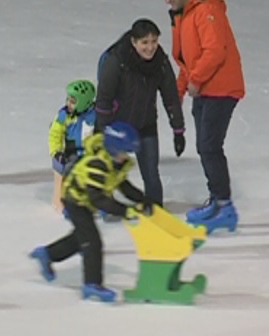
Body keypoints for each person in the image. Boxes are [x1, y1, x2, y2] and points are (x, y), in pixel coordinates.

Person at [156, 0, 244, 232]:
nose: (167, 0)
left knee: (209, 147)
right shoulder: (182, 16)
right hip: (206, 90)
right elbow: (186, 61)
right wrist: (177, 93)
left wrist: (194, 81)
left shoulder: (206, 10)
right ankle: (218, 201)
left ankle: (225, 206)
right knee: (206, 147)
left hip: (221, 89)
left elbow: (215, 51)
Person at [29, 122, 154, 303]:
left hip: (86, 202)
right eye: (123, 152)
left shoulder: (114, 164)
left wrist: (143, 199)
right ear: (113, 149)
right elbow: (99, 200)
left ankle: (47, 254)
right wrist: (125, 211)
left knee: (82, 238)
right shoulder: (97, 164)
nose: (125, 157)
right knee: (92, 242)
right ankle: (92, 285)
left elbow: (122, 185)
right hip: (76, 201)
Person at [94, 19, 185, 206]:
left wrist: (178, 130)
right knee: (109, 171)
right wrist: (102, 131)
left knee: (151, 172)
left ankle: (155, 211)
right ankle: (105, 206)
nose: (150, 47)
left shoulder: (160, 63)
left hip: (145, 125)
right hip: (116, 126)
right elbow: (104, 99)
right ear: (133, 42)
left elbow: (171, 98)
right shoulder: (116, 61)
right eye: (145, 42)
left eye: (154, 41)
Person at [48, 80, 97, 212]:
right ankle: (64, 202)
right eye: (68, 99)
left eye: (73, 101)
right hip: (72, 153)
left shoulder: (95, 115)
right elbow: (54, 134)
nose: (69, 103)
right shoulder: (64, 115)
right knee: (68, 170)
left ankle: (99, 204)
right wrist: (56, 152)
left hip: (90, 154)